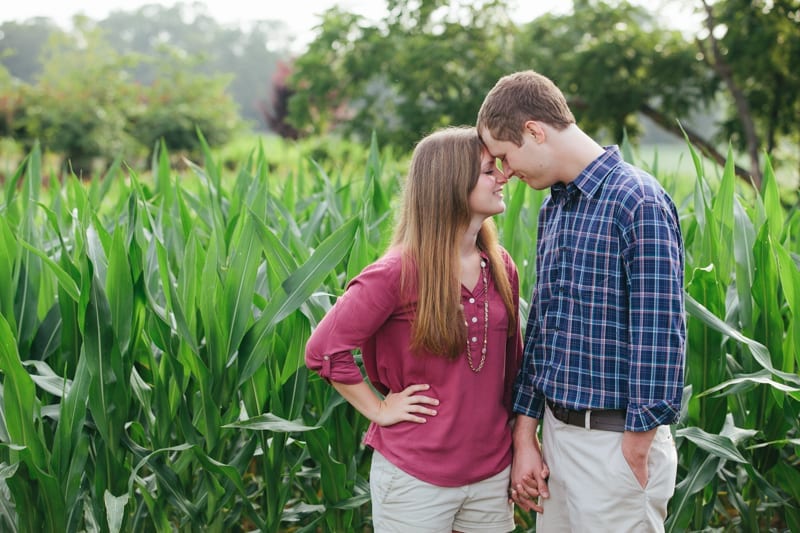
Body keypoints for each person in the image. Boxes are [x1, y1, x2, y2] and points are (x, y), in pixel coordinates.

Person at [476, 70, 685, 532]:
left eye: (506, 157)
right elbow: (544, 328)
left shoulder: (638, 200)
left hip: (616, 445)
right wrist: (526, 431)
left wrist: (637, 443)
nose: (505, 172)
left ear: (534, 131)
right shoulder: (555, 207)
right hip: (558, 435)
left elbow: (660, 334)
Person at [305, 126, 523, 533]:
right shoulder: (395, 272)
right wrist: (380, 408)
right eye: (487, 170)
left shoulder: (499, 265)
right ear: (451, 185)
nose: (503, 177)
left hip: (491, 475)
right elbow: (323, 351)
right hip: (415, 479)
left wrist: (522, 441)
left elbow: (512, 367)